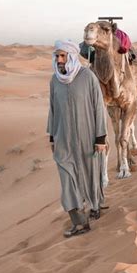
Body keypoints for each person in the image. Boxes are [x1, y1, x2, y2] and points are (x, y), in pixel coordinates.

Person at [47, 40, 107, 237]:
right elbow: (53, 109)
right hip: (63, 140)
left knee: (91, 174)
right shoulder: (55, 80)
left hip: (87, 137)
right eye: (57, 56)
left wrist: (100, 138)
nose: (59, 60)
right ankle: (80, 222)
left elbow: (99, 107)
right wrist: (52, 138)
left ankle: (96, 205)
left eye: (63, 56)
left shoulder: (87, 76)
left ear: (71, 56)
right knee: (67, 180)